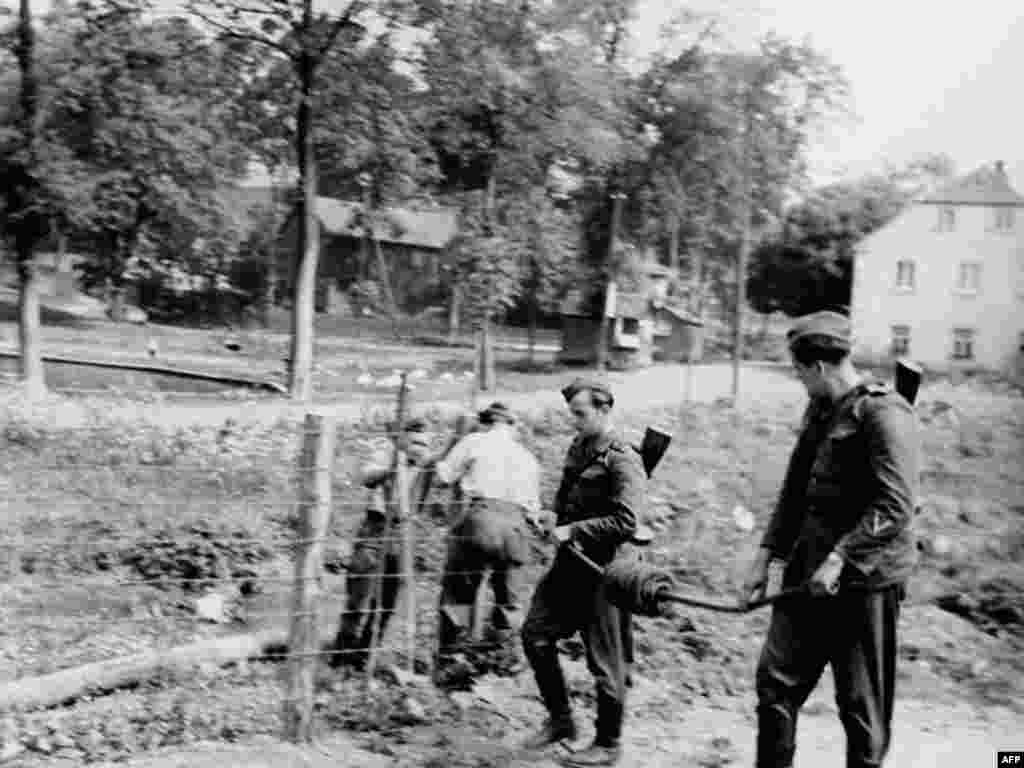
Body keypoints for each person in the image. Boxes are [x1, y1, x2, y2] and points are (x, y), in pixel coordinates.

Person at [741, 310, 920, 768]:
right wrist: (765, 557)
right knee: (775, 682)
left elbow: (895, 505)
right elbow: (795, 488)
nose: (799, 381)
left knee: (860, 705)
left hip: (866, 580)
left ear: (818, 367)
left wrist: (842, 557)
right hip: (809, 570)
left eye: (799, 372)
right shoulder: (820, 410)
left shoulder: (884, 412)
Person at [520, 379, 646, 767]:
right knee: (535, 635)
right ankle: (561, 721)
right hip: (571, 564)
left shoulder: (622, 457)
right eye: (571, 413)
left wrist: (572, 530)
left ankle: (608, 743)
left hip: (606, 571)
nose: (573, 421)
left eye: (581, 414)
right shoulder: (579, 447)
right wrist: (552, 518)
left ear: (604, 410)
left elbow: (627, 520)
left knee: (606, 661)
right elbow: (565, 500)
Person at [430, 402, 542, 650]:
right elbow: (535, 511)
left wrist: (447, 449)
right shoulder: (527, 457)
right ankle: (502, 661)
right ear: (511, 425)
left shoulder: (474, 440)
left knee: (459, 593)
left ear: (485, 422)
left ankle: (452, 656)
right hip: (517, 526)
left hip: (482, 519)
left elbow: (442, 478)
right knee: (509, 601)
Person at [329, 417, 434, 670]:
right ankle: (341, 656)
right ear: (403, 440)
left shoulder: (428, 463)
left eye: (424, 442)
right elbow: (366, 477)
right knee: (358, 595)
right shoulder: (387, 453)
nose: (420, 447)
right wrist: (393, 467)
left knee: (388, 601)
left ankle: (364, 656)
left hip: (404, 531)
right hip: (375, 528)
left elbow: (439, 479)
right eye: (415, 441)